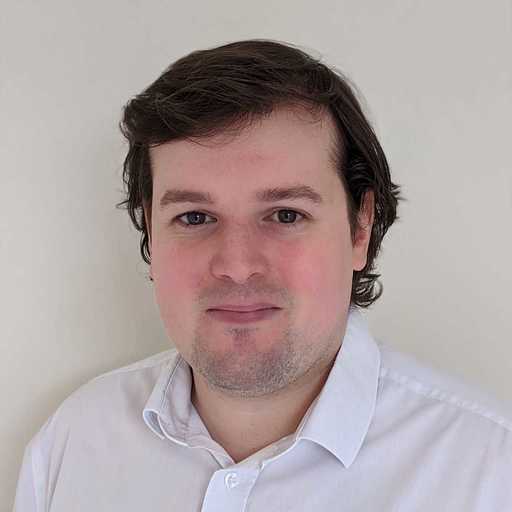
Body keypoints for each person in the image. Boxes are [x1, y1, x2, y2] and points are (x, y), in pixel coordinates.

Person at [13, 39, 511, 511]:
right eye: (194, 217)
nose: (236, 265)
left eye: (285, 215)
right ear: (150, 231)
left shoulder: (489, 471)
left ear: (360, 228)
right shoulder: (73, 443)